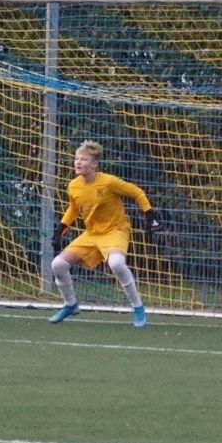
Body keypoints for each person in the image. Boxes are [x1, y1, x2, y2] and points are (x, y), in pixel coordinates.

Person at [48, 140, 162, 327]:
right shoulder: (74, 186)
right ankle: (70, 304)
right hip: (92, 234)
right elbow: (74, 208)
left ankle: (138, 307)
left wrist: (150, 215)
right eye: (76, 159)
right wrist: (61, 228)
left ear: (94, 164)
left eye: (83, 159)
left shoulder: (108, 182)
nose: (78, 162)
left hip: (115, 230)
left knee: (116, 263)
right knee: (58, 265)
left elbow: (136, 192)